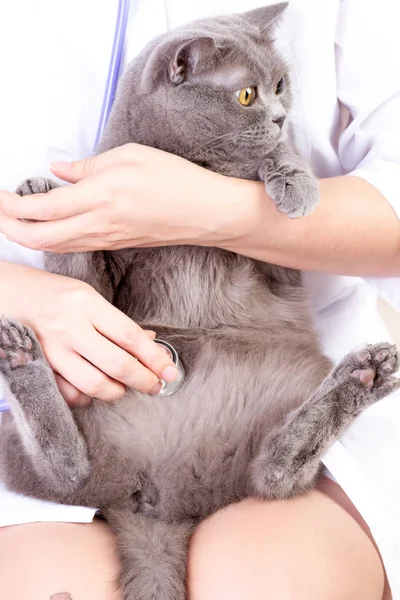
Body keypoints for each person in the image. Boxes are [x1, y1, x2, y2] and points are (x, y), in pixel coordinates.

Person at [0, 0, 399, 598]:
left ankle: (300, 439)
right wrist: (17, 289)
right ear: (180, 70)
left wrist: (216, 211)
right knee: (57, 576)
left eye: (279, 91)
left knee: (267, 578)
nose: (276, 115)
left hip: (255, 384)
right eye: (251, 99)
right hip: (93, 398)